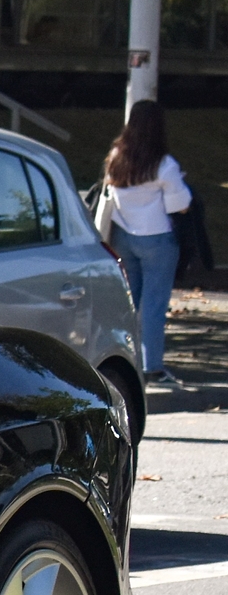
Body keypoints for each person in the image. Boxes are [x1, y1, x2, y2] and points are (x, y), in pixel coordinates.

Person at [100, 99, 195, 388]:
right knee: (153, 305)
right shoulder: (164, 165)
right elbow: (181, 205)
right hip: (157, 240)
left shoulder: (116, 156)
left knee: (129, 304)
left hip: (123, 238)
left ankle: (122, 363)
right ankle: (152, 366)